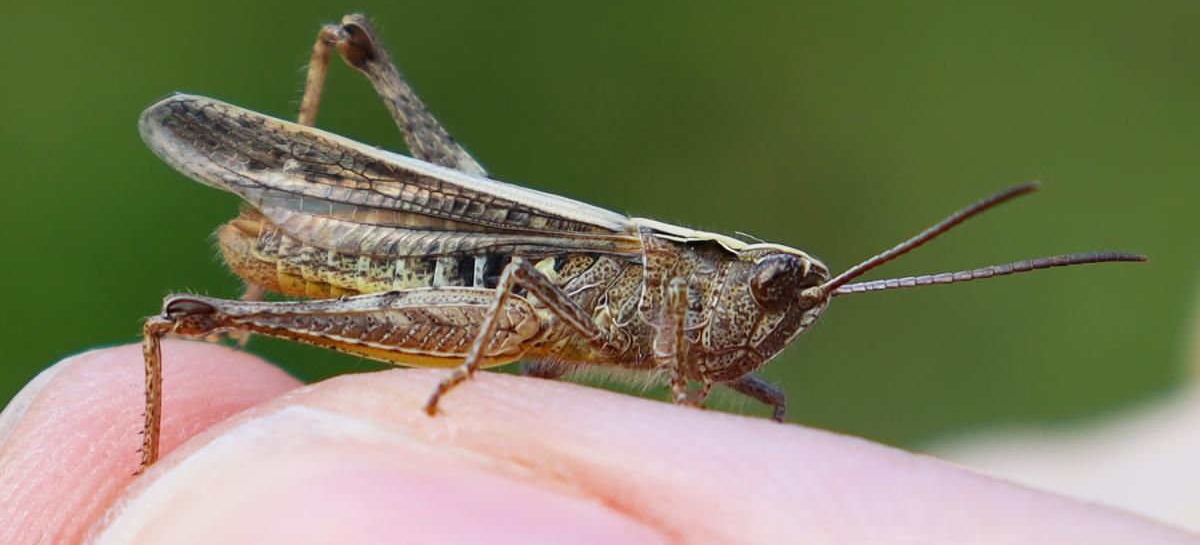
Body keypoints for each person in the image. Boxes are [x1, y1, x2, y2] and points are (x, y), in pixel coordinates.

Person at [1, 341, 1194, 544]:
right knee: (184, 339)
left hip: (499, 319)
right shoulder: (653, 273)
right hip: (449, 267)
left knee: (768, 409)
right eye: (778, 289)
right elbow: (520, 275)